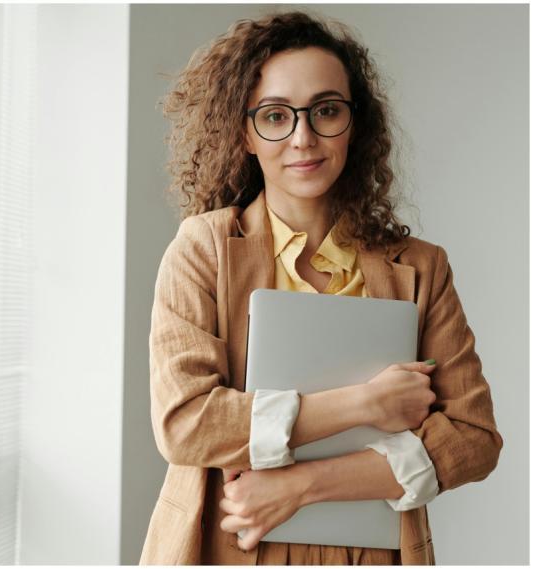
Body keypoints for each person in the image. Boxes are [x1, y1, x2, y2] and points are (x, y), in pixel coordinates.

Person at [141, 11, 503, 566]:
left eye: (326, 110)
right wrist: (366, 402)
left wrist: (300, 484)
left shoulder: (422, 269)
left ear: (354, 124)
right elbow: (187, 423)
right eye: (276, 116)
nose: (303, 137)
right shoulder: (203, 249)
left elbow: (474, 440)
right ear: (244, 132)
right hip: (222, 547)